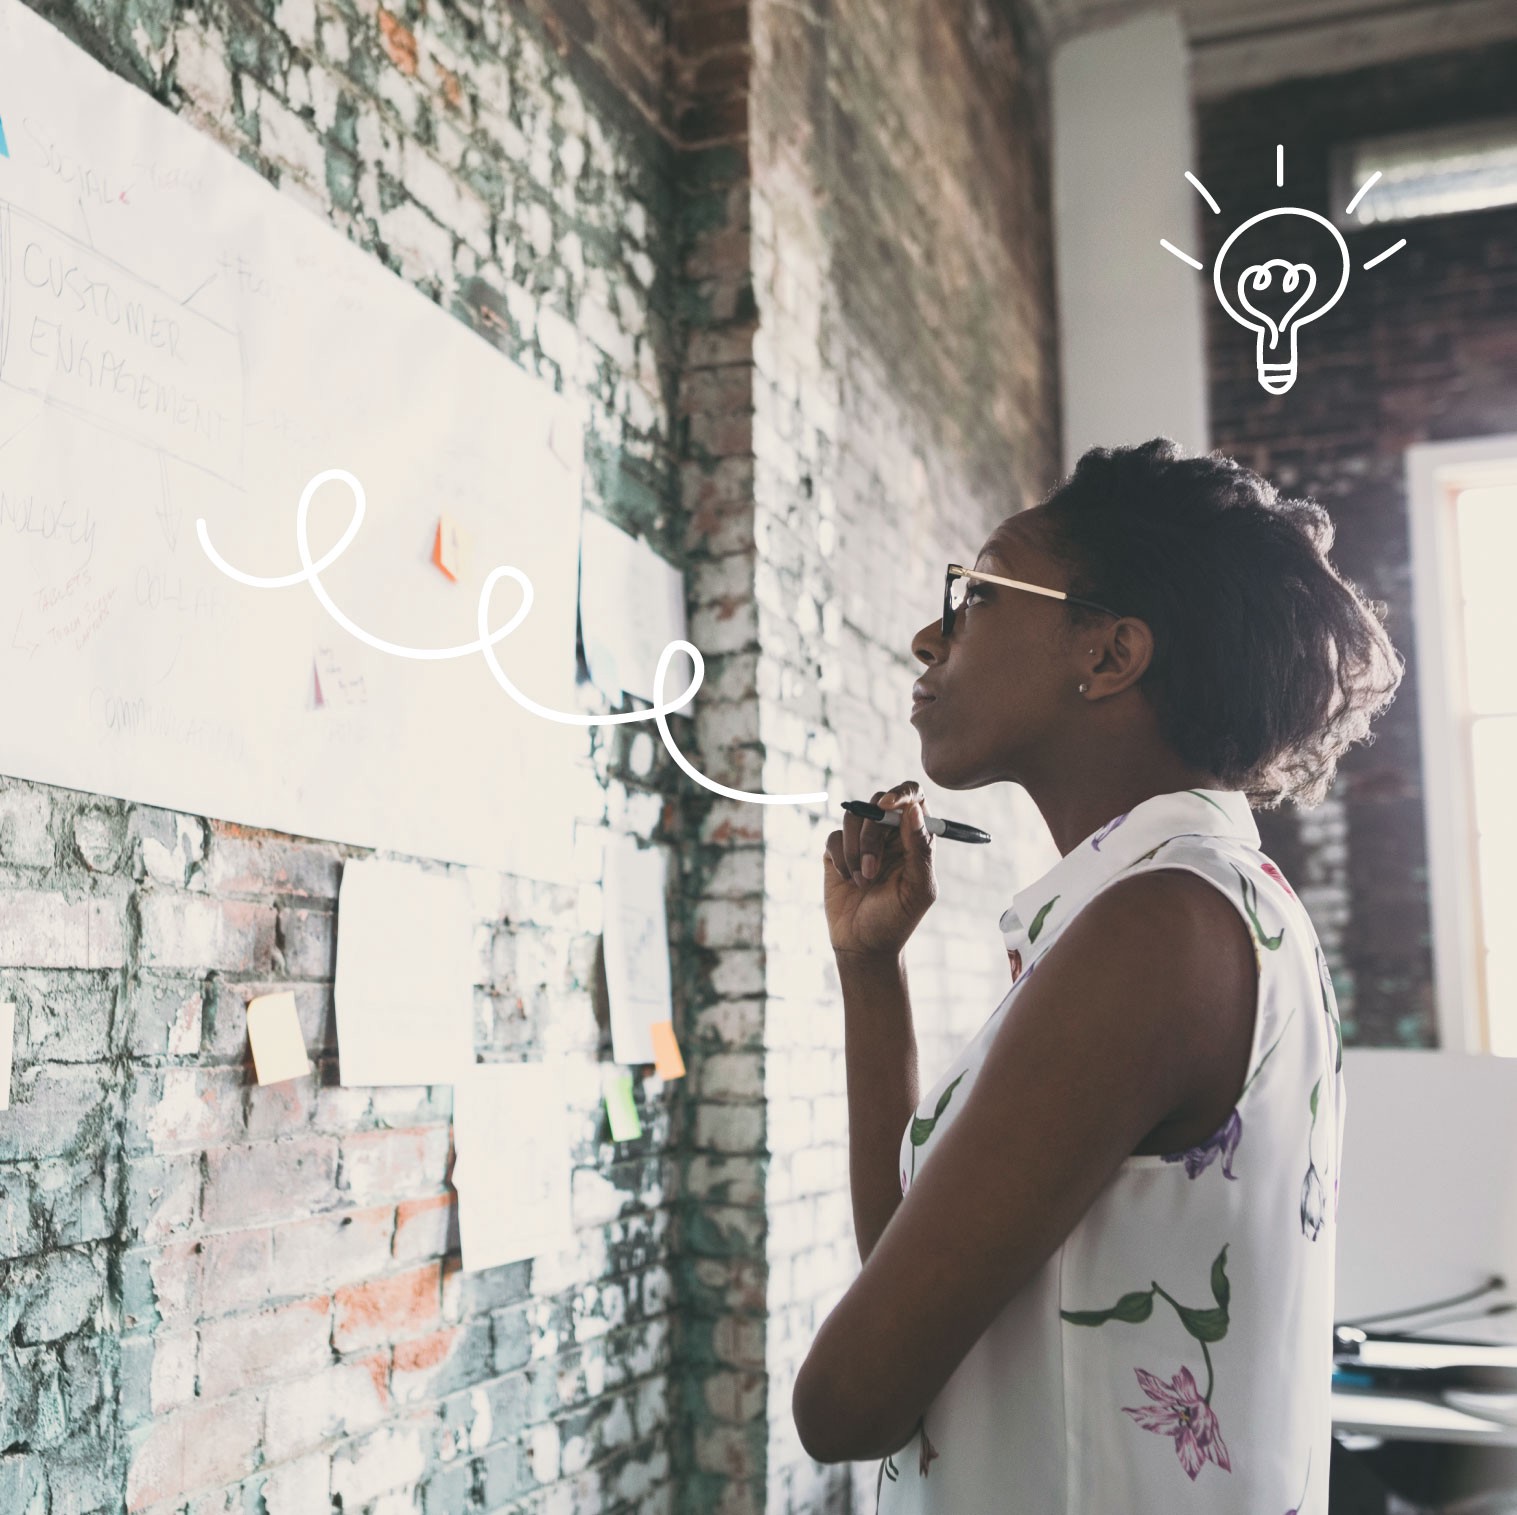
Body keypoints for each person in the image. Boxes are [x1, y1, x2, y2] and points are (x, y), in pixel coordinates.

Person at [792, 438, 1404, 1513]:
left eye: (975, 595)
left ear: (1108, 655)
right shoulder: (1206, 903)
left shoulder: (1157, 930)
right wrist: (869, 971)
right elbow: (908, 1272)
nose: (926, 634)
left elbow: (846, 1403)